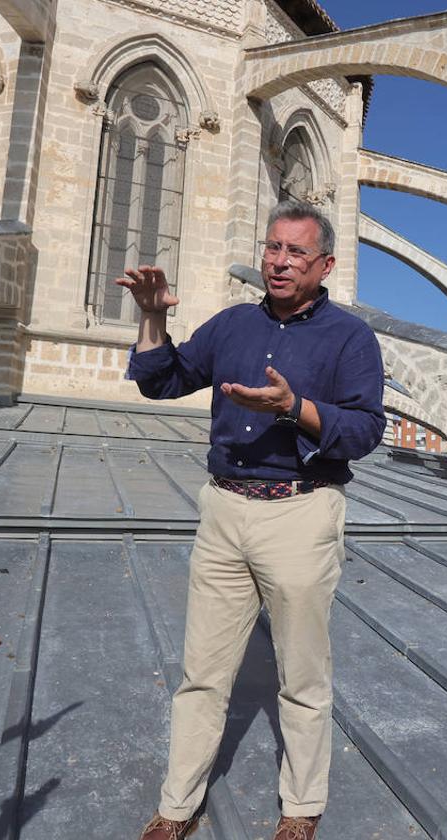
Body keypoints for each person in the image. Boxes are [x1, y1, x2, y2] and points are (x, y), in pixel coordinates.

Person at [122, 200, 385, 840]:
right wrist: (153, 319)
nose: (279, 261)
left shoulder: (350, 338)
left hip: (299, 513)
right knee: (202, 674)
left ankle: (299, 809)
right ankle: (176, 808)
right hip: (222, 511)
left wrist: (296, 408)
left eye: (296, 252)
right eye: (272, 248)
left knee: (302, 676)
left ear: (325, 265)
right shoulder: (233, 323)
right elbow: (161, 380)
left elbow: (366, 429)